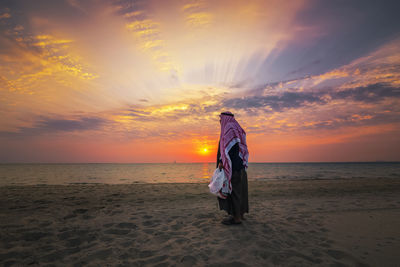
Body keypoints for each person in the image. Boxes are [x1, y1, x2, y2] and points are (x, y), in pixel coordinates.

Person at [216, 111, 249, 225]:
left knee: (234, 192)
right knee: (240, 191)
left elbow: (229, 148)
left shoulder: (229, 128)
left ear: (225, 118)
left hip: (233, 167)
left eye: (221, 119)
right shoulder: (237, 127)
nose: (220, 121)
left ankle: (237, 218)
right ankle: (240, 214)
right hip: (240, 166)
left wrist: (221, 161)